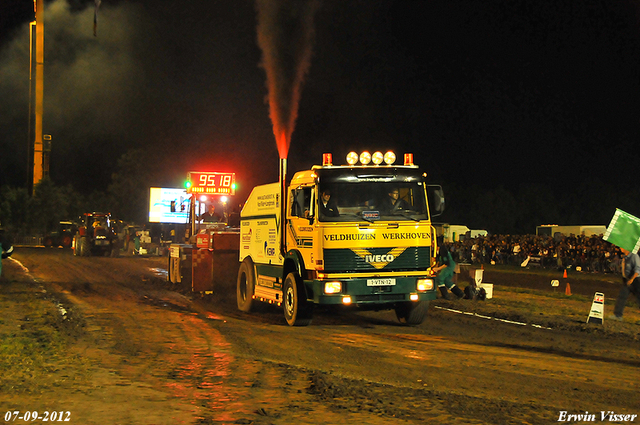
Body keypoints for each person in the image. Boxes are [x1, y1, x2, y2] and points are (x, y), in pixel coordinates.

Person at [612, 246, 640, 320]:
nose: (620, 248)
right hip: (628, 280)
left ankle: (618, 315)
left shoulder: (634, 256)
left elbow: (638, 269)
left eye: (622, 247)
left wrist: (632, 279)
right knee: (622, 296)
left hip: (636, 280)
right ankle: (618, 315)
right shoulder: (625, 257)